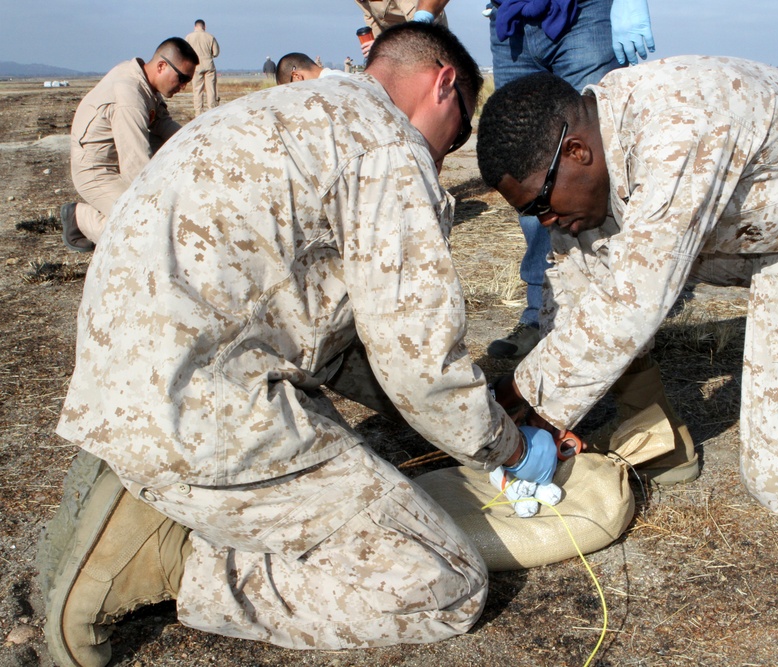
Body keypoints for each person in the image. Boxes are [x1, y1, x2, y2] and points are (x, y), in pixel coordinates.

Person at [41, 23, 559, 667]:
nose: (439, 161)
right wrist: (506, 445)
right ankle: (174, 561)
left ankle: (158, 480)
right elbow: (420, 367)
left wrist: (459, 414)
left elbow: (330, 331)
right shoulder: (389, 149)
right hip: (198, 405)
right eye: (449, 141)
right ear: (443, 84)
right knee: (445, 584)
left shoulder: (281, 111)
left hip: (126, 369)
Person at [476, 59, 778, 513]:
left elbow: (634, 299)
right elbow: (580, 295)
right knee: (582, 249)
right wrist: (545, 405)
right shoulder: (599, 136)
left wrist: (524, 395)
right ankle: (657, 434)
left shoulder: (677, 126)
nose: (546, 220)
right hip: (763, 235)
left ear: (576, 151)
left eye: (542, 203)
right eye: (530, 214)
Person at [483, 0, 655, 360]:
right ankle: (548, 318)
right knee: (531, 178)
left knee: (590, 181)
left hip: (582, 10)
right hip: (509, 16)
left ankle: (610, 314)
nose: (545, 219)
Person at [60, 37, 198, 252]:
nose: (183, 86)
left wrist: (197, 142)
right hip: (97, 170)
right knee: (142, 229)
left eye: (187, 81)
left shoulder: (143, 79)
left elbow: (162, 123)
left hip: (115, 158)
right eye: (181, 78)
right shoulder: (129, 97)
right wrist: (160, 203)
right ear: (162, 66)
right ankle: (80, 219)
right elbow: (135, 163)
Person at [354, 0, 448, 58]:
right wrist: (374, 53)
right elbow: (371, 17)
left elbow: (419, 29)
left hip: (427, 30)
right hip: (397, 36)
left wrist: (383, 46)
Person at [185, 19, 221, 115]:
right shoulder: (210, 36)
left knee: (197, 90)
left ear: (195, 27)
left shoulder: (189, 37)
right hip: (208, 63)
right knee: (211, 89)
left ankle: (198, 112)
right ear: (204, 27)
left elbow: (185, 52)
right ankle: (212, 110)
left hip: (195, 65)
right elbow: (216, 52)